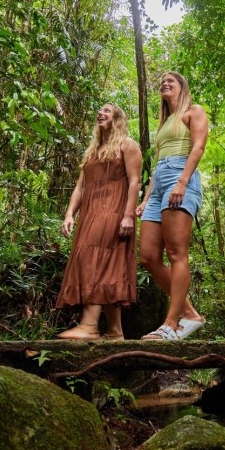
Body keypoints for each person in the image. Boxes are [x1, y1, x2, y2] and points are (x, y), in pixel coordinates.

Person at [56, 103, 142, 340]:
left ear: (117, 118)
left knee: (94, 259)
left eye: (107, 110)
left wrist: (128, 215)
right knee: (108, 264)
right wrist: (69, 214)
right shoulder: (93, 152)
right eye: (100, 110)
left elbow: (135, 182)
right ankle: (115, 331)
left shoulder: (128, 145)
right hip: (91, 213)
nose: (101, 113)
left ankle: (90, 325)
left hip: (114, 211)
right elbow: (80, 187)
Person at [137, 71, 207, 340]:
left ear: (182, 87)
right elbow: (156, 166)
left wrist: (182, 182)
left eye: (171, 81)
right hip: (159, 185)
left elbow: (198, 147)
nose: (165, 84)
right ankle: (190, 313)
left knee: (177, 253)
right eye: (162, 82)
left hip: (182, 176)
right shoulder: (165, 122)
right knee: (149, 257)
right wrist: (146, 199)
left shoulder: (194, 111)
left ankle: (171, 323)